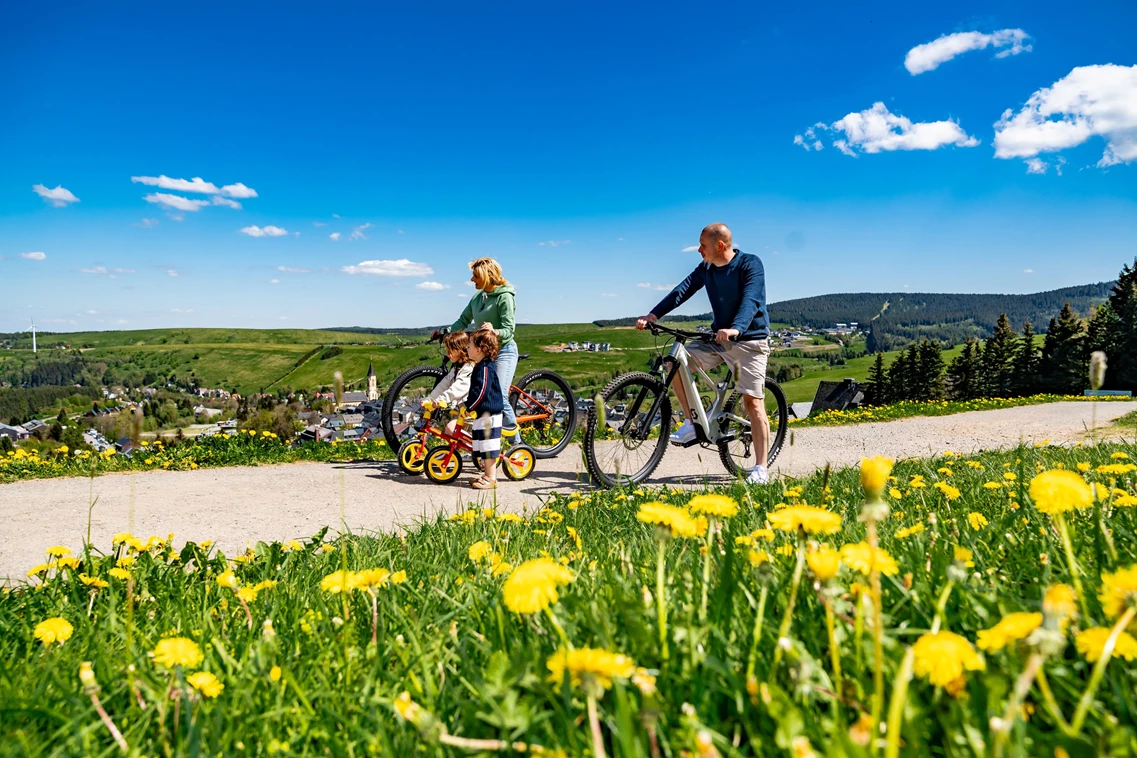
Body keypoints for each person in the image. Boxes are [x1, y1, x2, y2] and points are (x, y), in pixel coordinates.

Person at [635, 223, 772, 484]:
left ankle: (760, 469)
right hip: (717, 339)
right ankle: (692, 423)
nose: (699, 250)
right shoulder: (707, 268)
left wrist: (736, 328)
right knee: (674, 364)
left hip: (749, 341)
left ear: (720, 246)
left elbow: (751, 300)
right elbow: (683, 289)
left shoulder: (750, 264)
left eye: (703, 245)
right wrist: (653, 314)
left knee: (752, 403)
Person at [435, 257, 518, 434]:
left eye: (475, 276)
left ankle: (515, 444)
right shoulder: (478, 297)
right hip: (484, 353)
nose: (472, 280)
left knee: (499, 397)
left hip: (504, 351)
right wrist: (446, 332)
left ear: (487, 276)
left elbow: (509, 330)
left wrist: (495, 331)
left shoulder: (504, 297)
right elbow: (463, 320)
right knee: (476, 396)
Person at [465, 325, 506, 490]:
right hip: (483, 413)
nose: (467, 348)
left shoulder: (486, 368)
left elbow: (482, 391)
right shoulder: (480, 366)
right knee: (483, 445)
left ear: (479, 349)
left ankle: (491, 478)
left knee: (488, 447)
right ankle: (487, 475)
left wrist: (470, 406)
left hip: (490, 413)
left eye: (469, 346)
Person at [420, 332, 475, 436]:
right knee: (452, 434)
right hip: (463, 411)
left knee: (451, 429)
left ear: (460, 350)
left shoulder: (469, 368)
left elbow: (457, 388)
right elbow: (444, 384)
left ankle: (478, 449)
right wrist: (430, 399)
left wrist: (441, 400)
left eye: (450, 351)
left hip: (473, 412)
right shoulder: (456, 367)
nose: (447, 353)